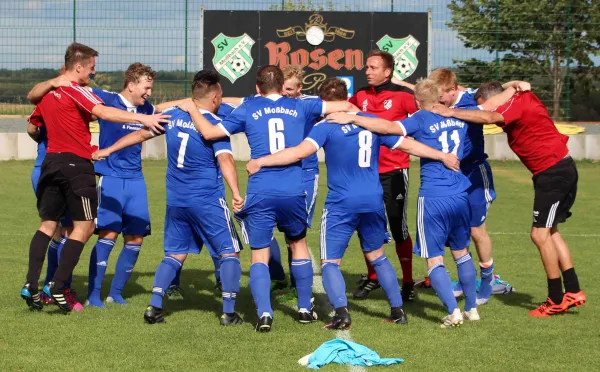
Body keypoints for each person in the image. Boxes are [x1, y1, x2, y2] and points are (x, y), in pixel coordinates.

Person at [247, 78, 461, 329]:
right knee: (378, 256)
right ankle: (398, 310)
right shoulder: (370, 122)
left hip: (341, 202)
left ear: (325, 102)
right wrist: (442, 156)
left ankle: (341, 313)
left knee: (330, 262)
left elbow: (298, 152)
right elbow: (408, 144)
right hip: (372, 200)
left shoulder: (327, 126)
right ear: (347, 96)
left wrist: (261, 162)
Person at [185, 65, 356, 332]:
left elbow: (209, 133)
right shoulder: (301, 106)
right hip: (293, 189)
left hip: (261, 190)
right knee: (298, 244)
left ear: (257, 88)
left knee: (260, 253)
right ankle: (303, 308)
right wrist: (356, 113)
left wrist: (191, 108)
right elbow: (343, 106)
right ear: (281, 85)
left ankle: (265, 314)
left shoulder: (249, 108)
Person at [20, 42, 168, 312]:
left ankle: (32, 285)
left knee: (48, 225)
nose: (93, 73)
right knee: (86, 228)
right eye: (91, 68)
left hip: (49, 163)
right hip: (76, 166)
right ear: (78, 66)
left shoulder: (48, 93)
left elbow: (33, 119)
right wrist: (142, 121)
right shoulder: (78, 92)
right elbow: (102, 112)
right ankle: (58, 286)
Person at [93, 70, 244, 325]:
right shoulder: (212, 125)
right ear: (216, 96)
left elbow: (141, 134)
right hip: (206, 199)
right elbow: (226, 159)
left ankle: (154, 307)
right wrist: (237, 194)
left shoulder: (172, 117)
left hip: (176, 201)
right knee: (229, 253)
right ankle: (229, 313)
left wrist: (107, 149)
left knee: (175, 254)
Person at [328, 79, 480, 328]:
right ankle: (472, 308)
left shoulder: (420, 118)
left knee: (434, 260)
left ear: (417, 102)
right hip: (461, 192)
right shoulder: (458, 117)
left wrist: (353, 118)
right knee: (462, 253)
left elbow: (388, 127)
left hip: (434, 195)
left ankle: (453, 312)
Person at [431, 82, 586, 317]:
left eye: (484, 106)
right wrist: (510, 85)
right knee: (551, 232)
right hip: (558, 169)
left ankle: (555, 298)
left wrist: (450, 112)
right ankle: (573, 290)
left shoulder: (514, 105)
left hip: (552, 173)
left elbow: (489, 114)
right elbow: (483, 98)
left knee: (539, 235)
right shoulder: (517, 96)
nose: (486, 112)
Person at [428, 68, 529, 304]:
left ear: (453, 90)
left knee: (476, 229)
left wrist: (517, 82)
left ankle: (487, 281)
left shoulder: (469, 99)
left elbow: (496, 91)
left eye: (441, 95)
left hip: (475, 172)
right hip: (450, 174)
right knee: (455, 232)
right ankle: (467, 280)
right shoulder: (435, 100)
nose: (437, 101)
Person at [85, 63, 161, 307]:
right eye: (146, 87)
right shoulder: (107, 99)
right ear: (131, 85)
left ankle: (116, 293)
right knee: (108, 233)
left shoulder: (147, 109)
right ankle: (94, 295)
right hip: (111, 177)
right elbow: (77, 91)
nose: (149, 93)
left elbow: (164, 112)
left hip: (136, 179)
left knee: (136, 238)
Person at [349, 50, 418, 301]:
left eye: (373, 67)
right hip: (366, 172)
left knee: (398, 226)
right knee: (366, 224)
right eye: (366, 67)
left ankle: (408, 281)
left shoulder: (403, 96)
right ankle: (373, 276)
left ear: (387, 71)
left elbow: (428, 110)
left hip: (395, 170)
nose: (367, 71)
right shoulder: (361, 95)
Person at [27, 106, 82, 311]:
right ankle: (58, 288)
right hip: (62, 169)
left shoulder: (46, 98)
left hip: (40, 168)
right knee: (71, 230)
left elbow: (32, 129)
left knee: (54, 229)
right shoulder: (71, 99)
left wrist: (43, 141)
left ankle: (44, 286)